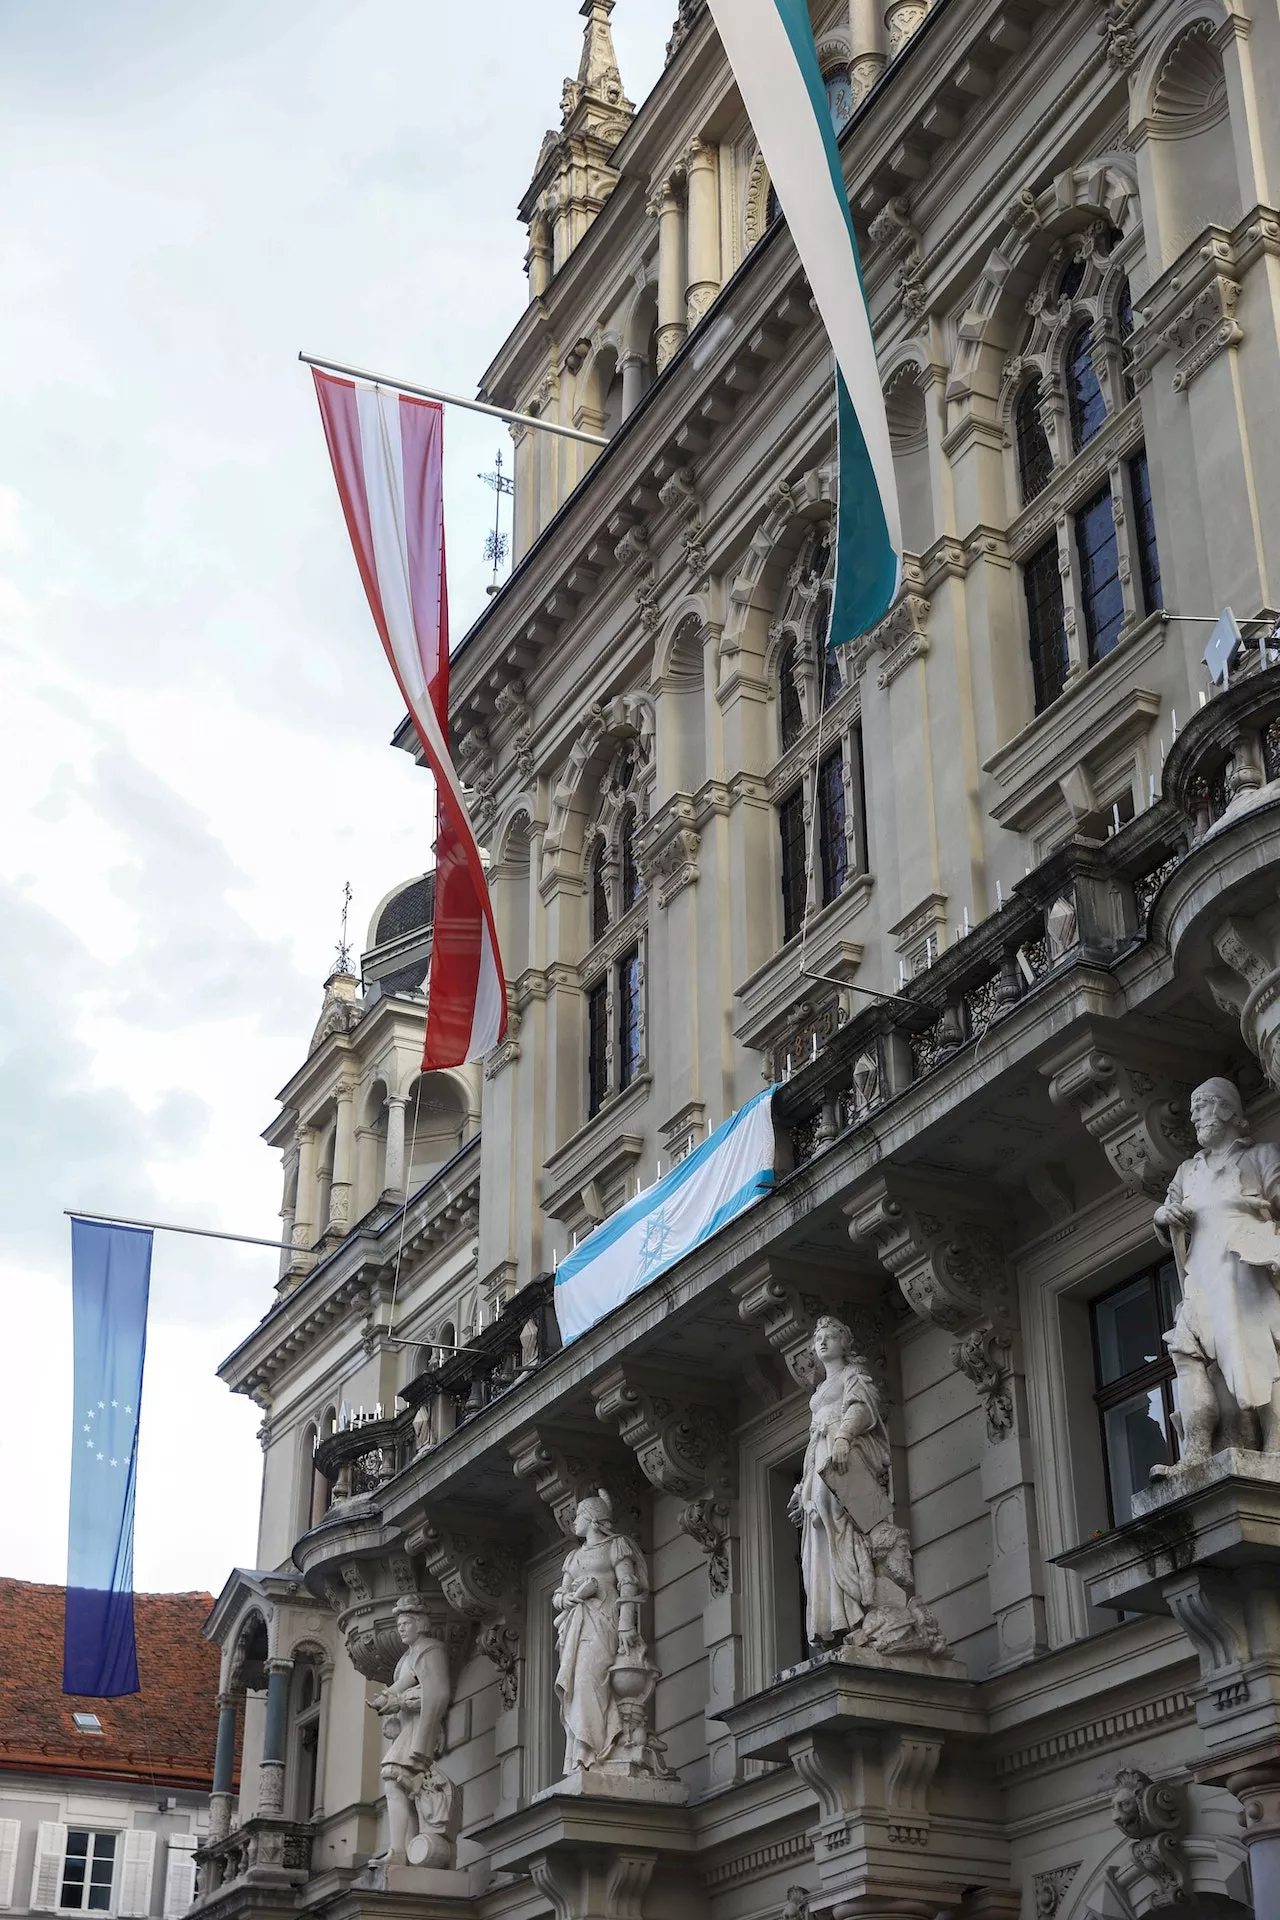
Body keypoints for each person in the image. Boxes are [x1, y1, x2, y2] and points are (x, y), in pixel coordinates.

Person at [1153, 1076, 1280, 1469]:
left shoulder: (1261, 1157)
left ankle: (1274, 1447)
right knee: (1186, 1354)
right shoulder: (1187, 1171)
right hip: (1202, 1275)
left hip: (1245, 1270)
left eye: (1202, 1105)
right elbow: (1165, 1216)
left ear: (1227, 1109)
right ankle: (1195, 1454)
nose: (1193, 1115)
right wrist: (1163, 1216)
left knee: (1260, 1358)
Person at [552, 1489, 649, 1773]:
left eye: (579, 1516)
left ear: (594, 1519)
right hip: (575, 1627)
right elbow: (559, 1594)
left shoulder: (616, 1546)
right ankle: (580, 1754)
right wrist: (567, 1599)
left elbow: (628, 1584)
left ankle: (596, 1749)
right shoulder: (573, 1557)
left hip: (604, 1623)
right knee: (577, 1683)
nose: (574, 1522)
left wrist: (626, 1624)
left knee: (589, 1681)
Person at [370, 1596, 454, 1866]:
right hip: (407, 1725)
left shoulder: (431, 1649)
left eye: (406, 1623)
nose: (401, 1629)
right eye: (399, 1624)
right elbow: (401, 1685)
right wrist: (385, 1700)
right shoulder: (408, 1657)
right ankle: (402, 1850)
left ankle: (399, 1850)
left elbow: (438, 1692)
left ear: (420, 1624)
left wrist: (401, 1701)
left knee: (395, 1781)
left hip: (420, 1726)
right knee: (398, 1784)